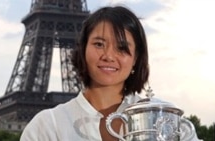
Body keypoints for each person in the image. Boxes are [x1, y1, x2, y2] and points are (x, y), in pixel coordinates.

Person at [20, 5, 201, 141]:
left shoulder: (165, 118)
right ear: (83, 50)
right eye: (99, 44)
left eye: (122, 48)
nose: (108, 56)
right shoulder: (47, 126)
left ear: (136, 59)